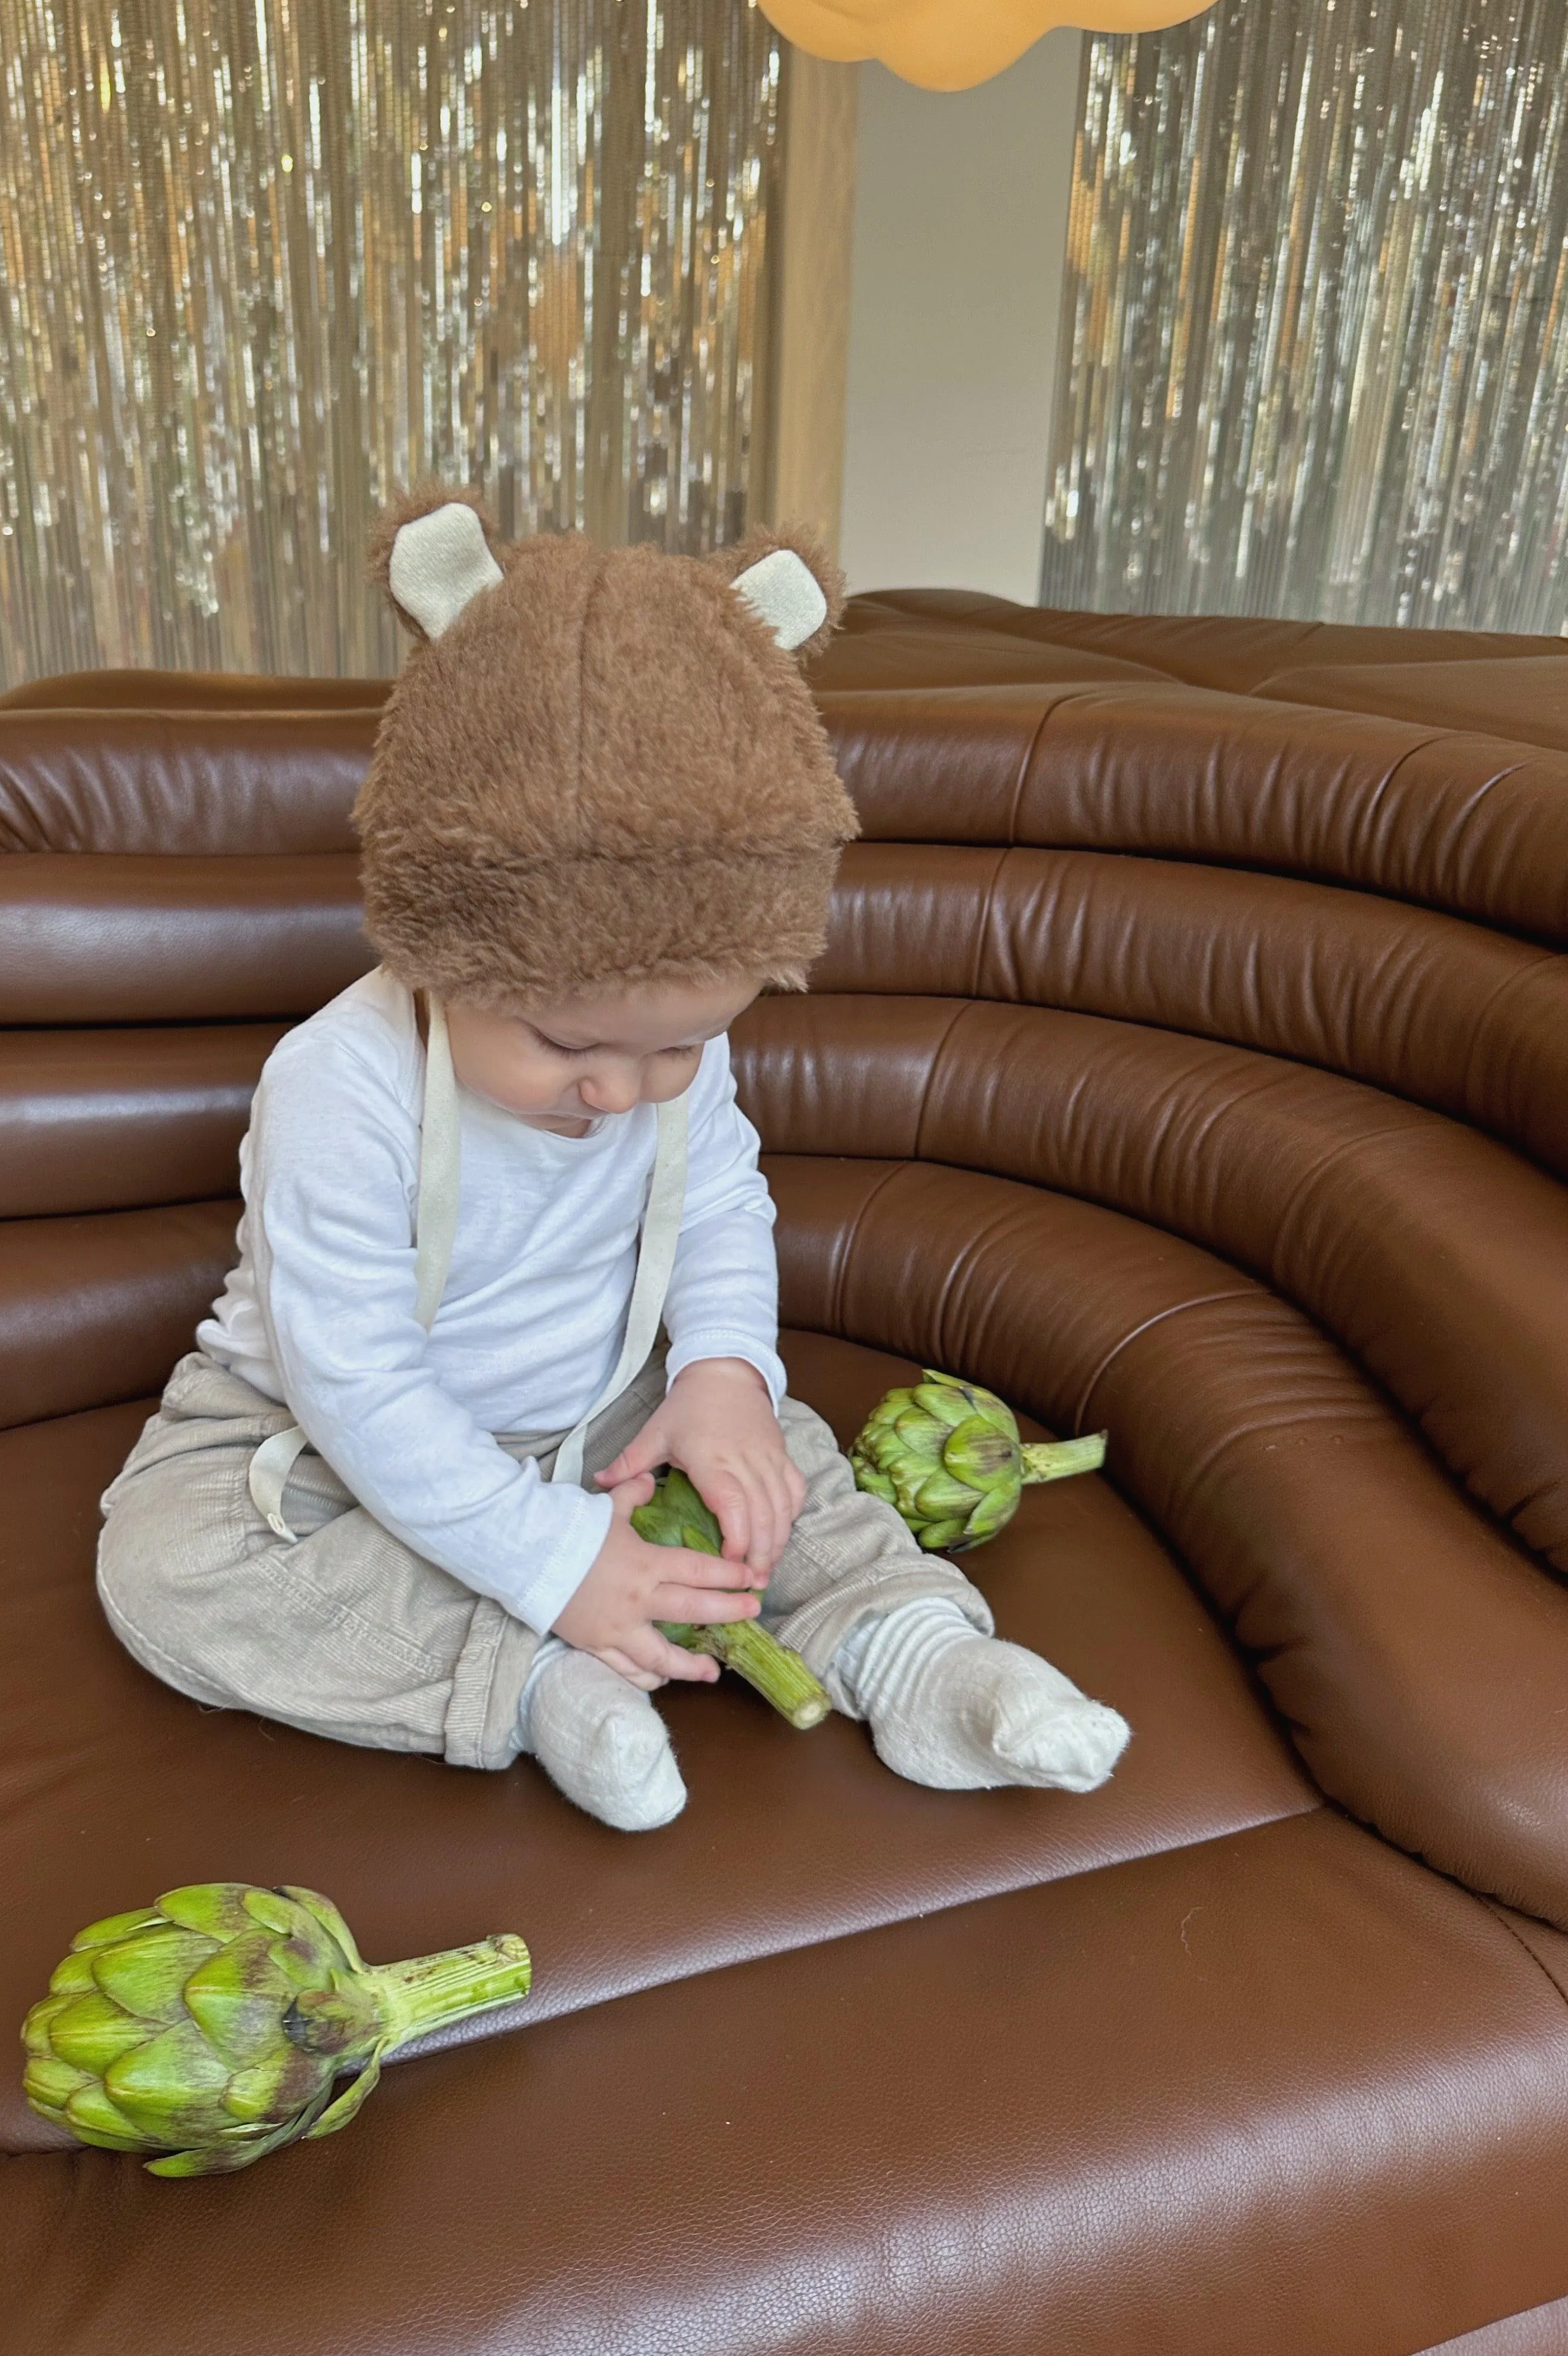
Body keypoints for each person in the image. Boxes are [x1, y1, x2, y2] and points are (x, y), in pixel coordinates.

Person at [96, 489, 1129, 1831]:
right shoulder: (336, 1082)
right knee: (164, 1567)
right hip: (318, 1433)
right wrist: (553, 1566)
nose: (619, 1089)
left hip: (604, 1396)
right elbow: (352, 1376)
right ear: (434, 945)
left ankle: (916, 1655)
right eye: (566, 1041)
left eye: (679, 1048)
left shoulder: (657, 1040)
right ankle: (522, 1683)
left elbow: (716, 1207)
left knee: (783, 1467)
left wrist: (720, 1378)